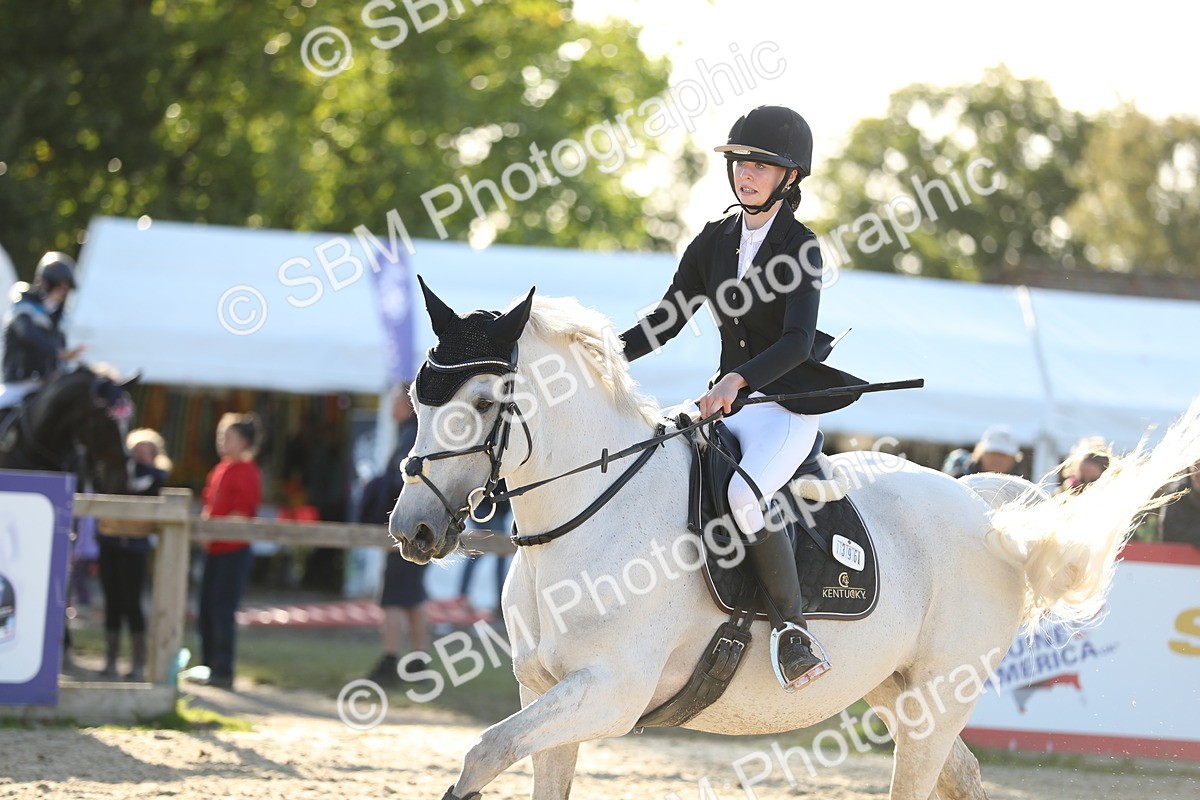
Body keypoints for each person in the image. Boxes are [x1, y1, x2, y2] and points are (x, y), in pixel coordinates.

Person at [619, 105, 866, 691]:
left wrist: (739, 380)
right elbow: (666, 320)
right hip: (726, 405)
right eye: (740, 163)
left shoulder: (802, 247)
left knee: (742, 494)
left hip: (780, 409)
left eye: (761, 166)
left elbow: (797, 341)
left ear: (791, 177)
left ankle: (792, 630)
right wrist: (598, 354)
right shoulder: (713, 241)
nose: (746, 175)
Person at [364, 385, 430, 687]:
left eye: (395, 400)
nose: (391, 406)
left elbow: (401, 484)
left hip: (408, 528)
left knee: (392, 597)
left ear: (408, 402)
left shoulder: (410, 435)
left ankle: (390, 661)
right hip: (423, 529)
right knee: (413, 598)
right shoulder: (416, 433)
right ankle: (418, 663)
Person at [96, 428, 171, 681]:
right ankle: (110, 659)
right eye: (136, 452)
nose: (140, 457)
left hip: (135, 547)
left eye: (145, 452)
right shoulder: (115, 473)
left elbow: (145, 489)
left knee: (133, 603)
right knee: (112, 602)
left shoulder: (155, 477)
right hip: (111, 544)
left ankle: (138, 662)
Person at [196, 413, 262, 689]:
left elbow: (242, 513)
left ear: (244, 442)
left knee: (223, 610)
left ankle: (223, 671)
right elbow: (210, 503)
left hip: (232, 549)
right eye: (221, 435)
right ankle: (208, 666)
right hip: (213, 548)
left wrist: (213, 530)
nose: (223, 441)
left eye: (229, 437)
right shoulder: (220, 469)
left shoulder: (247, 472)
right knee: (205, 610)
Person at [2, 252, 86, 401]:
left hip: (47, 383)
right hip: (19, 383)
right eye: (60, 287)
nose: (63, 293)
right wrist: (59, 353)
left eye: (66, 289)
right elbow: (28, 335)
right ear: (48, 283)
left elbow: (61, 346)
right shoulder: (23, 307)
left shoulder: (60, 318)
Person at [942, 425, 1023, 478]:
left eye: (1004, 455)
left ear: (1013, 460)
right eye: (993, 453)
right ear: (981, 453)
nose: (998, 459)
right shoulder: (960, 478)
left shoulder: (1015, 489)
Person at [1162, 460, 1200, 547]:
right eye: (1197, 465)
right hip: (1182, 557)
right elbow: (1170, 534)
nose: (1199, 472)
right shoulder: (1176, 496)